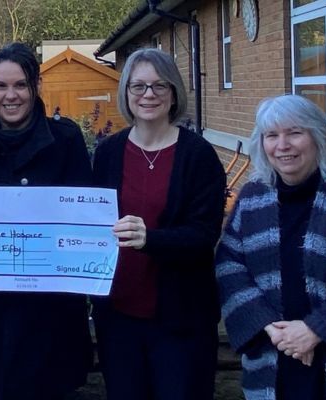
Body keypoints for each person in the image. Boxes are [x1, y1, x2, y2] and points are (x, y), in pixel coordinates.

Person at [0, 42, 93, 400]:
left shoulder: (66, 139)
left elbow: (84, 220)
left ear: (35, 87)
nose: (10, 96)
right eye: (1, 86)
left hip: (50, 312)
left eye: (20, 85)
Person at [215, 94, 326, 399]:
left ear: (318, 136)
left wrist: (316, 330)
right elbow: (229, 266)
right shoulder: (252, 197)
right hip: (274, 355)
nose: (282, 145)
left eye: (295, 133)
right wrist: (267, 325)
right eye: (271, 136)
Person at [91, 48, 226, 400]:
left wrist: (151, 239)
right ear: (126, 93)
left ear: (174, 93)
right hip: (118, 318)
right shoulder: (107, 153)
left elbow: (204, 234)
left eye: (159, 86)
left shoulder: (199, 155)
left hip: (181, 321)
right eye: (138, 87)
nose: (148, 95)